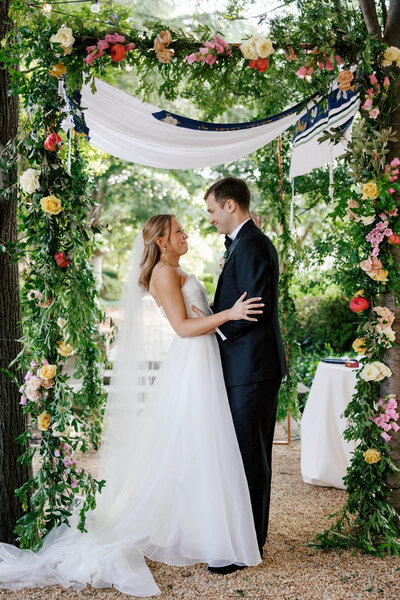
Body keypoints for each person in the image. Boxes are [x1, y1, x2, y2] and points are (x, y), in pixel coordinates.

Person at [0, 213, 264, 597]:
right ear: (161, 240)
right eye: (178, 231)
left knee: (202, 445)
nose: (185, 233)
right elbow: (183, 328)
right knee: (202, 444)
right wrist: (230, 314)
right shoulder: (162, 273)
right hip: (191, 363)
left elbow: (196, 317)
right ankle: (210, 538)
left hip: (202, 362)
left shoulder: (175, 268)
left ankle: (207, 530)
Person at [202, 177, 287, 563]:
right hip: (248, 365)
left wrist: (211, 331)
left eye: (212, 211)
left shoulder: (251, 244)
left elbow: (251, 311)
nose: (211, 219)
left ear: (231, 205)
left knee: (251, 456)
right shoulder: (243, 243)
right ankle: (246, 536)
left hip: (252, 366)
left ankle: (248, 545)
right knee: (246, 453)